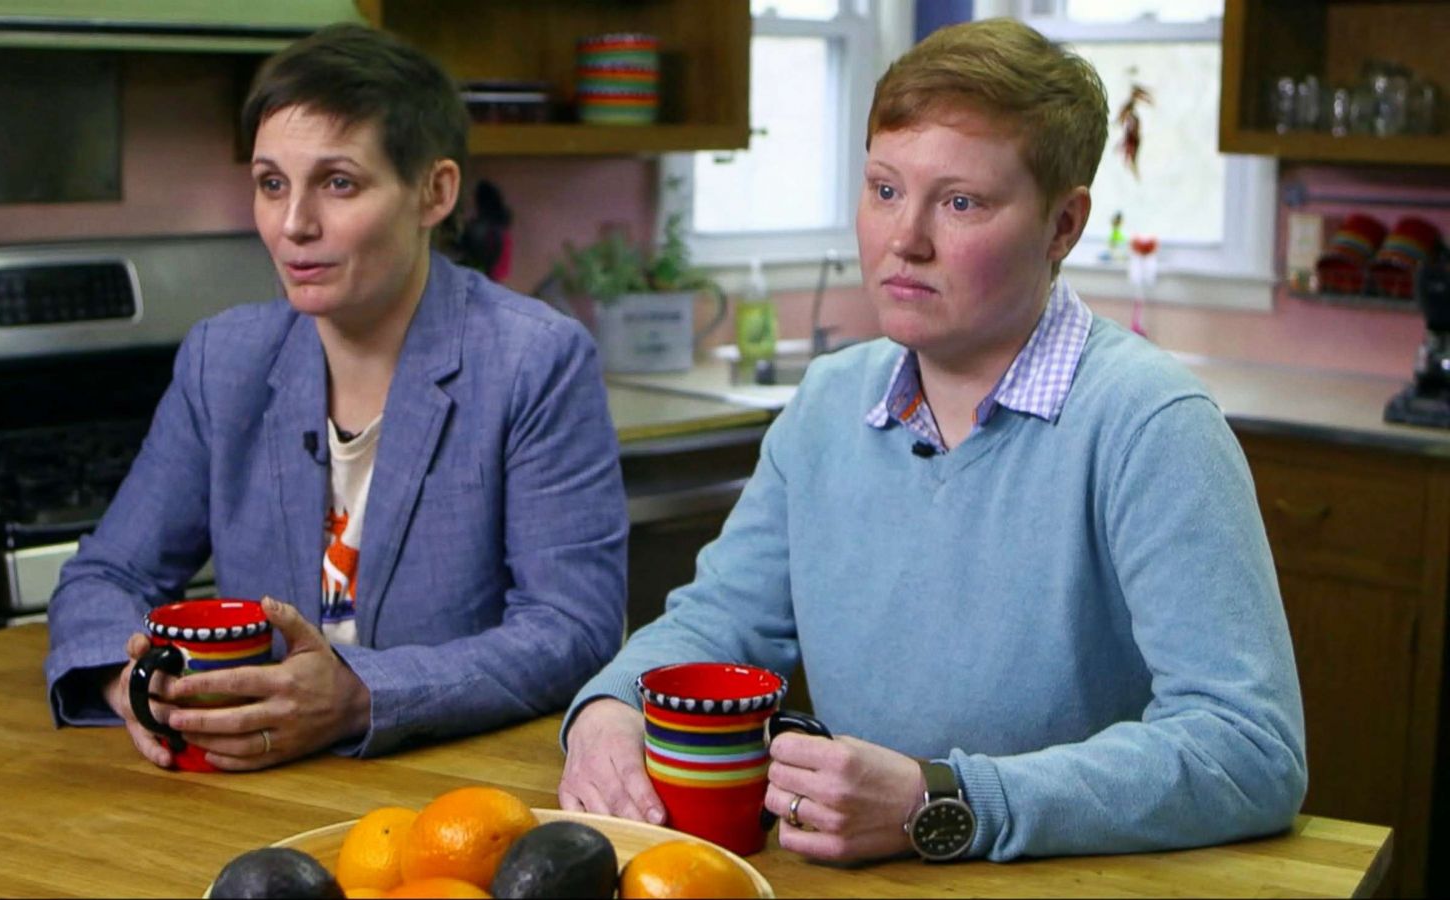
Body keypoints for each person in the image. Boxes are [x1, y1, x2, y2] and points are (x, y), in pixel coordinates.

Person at [558, 18, 1306, 863]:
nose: (903, 239)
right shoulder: (829, 403)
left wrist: (943, 800)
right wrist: (610, 708)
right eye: (883, 189)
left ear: (1063, 226)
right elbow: (717, 623)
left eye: (960, 203)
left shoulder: (1150, 424)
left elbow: (1249, 752)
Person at [44, 24, 627, 771]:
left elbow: (572, 629)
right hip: (245, 785)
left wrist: (359, 695)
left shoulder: (534, 361)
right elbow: (108, 577)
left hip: (450, 786)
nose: (294, 226)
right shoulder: (224, 360)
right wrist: (130, 685)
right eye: (271, 184)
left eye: (339, 182)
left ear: (435, 192)